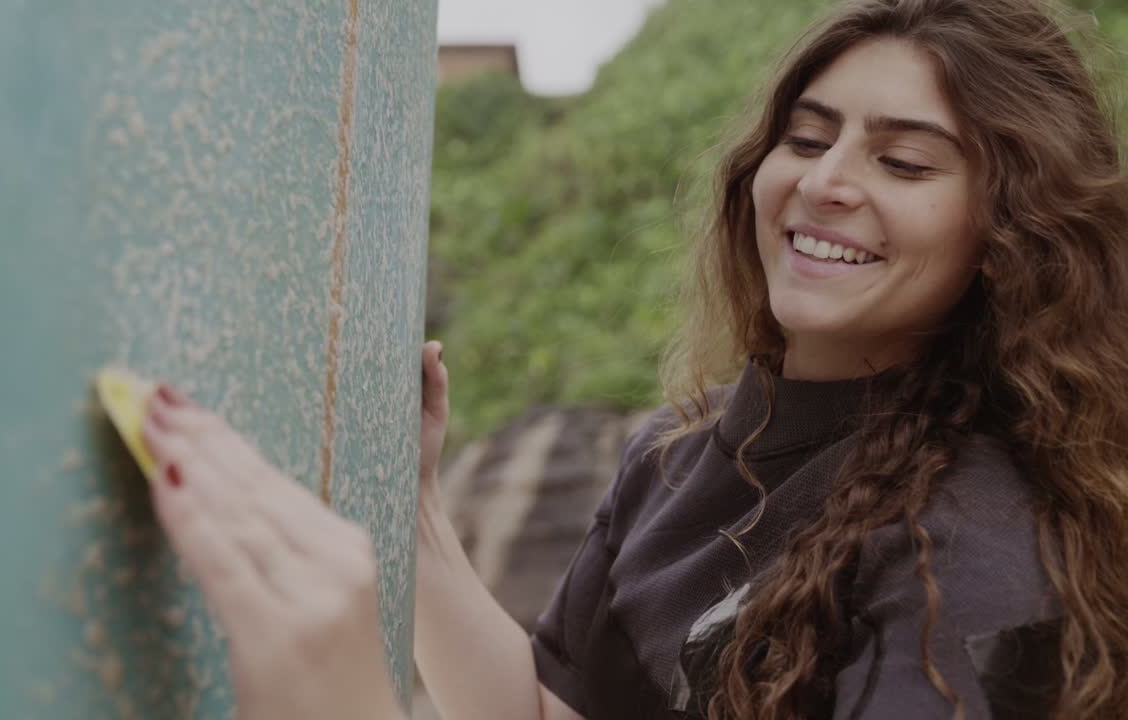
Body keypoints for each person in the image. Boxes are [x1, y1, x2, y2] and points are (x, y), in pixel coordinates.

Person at [135, 0, 1128, 717]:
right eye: (803, 138)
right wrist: (415, 513)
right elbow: (541, 710)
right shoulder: (675, 455)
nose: (825, 182)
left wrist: (342, 699)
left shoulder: (978, 553)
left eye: (901, 162)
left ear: (1008, 234)